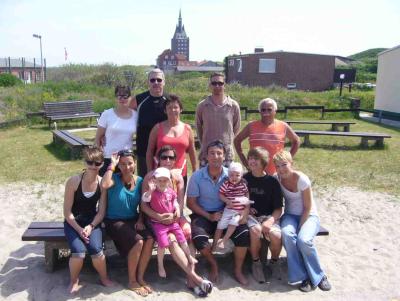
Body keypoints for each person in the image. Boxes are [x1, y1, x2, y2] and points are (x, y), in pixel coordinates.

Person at [141, 147, 212, 297]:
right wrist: (159, 217)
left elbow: (178, 203)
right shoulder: (150, 177)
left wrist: (177, 215)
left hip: (174, 217)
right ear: (158, 159)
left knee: (187, 232)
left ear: (175, 160)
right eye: (164, 157)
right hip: (154, 218)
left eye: (171, 158)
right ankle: (196, 279)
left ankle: (190, 281)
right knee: (172, 239)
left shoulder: (178, 178)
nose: (167, 160)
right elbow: (143, 205)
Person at [187, 140, 250, 285]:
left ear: (224, 157)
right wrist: (209, 215)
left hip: (228, 212)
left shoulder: (233, 174)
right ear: (206, 156)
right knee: (199, 238)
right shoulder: (197, 176)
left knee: (243, 233)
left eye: (219, 153)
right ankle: (214, 264)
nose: (216, 156)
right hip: (204, 213)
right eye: (212, 153)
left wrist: (244, 213)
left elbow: (245, 196)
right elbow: (190, 203)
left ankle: (238, 270)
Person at [273, 150, 331, 292]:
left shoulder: (302, 179)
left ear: (291, 163)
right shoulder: (277, 178)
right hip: (290, 215)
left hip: (309, 216)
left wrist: (300, 227)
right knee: (287, 234)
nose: (281, 169)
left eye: (284, 165)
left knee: (303, 240)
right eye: (277, 166)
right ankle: (303, 276)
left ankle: (319, 276)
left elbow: (307, 207)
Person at [101, 149, 154, 296]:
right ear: (119, 166)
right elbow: (104, 184)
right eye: (123, 164)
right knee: (138, 242)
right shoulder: (114, 179)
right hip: (113, 220)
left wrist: (141, 219)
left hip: (133, 218)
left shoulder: (140, 181)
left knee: (149, 238)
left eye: (130, 163)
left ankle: (140, 277)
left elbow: (144, 203)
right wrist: (112, 165)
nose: (127, 167)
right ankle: (132, 281)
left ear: (135, 163)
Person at [63, 146, 113, 293]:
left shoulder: (102, 183)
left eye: (97, 163)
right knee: (78, 253)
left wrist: (91, 226)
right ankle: (74, 281)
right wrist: (79, 229)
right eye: (90, 162)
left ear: (102, 164)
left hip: (92, 222)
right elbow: (67, 212)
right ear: (85, 163)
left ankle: (104, 278)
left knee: (97, 251)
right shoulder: (73, 181)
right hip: (73, 223)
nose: (93, 166)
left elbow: (101, 211)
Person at [141, 167, 196, 278]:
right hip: (159, 223)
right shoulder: (153, 193)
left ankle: (189, 256)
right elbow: (145, 199)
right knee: (162, 244)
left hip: (172, 222)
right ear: (155, 181)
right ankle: (160, 265)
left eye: (165, 180)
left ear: (169, 181)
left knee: (182, 238)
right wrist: (150, 190)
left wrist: (176, 210)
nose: (162, 183)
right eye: (159, 180)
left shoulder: (171, 191)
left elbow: (175, 202)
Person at [243, 147, 284, 283]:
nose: (252, 161)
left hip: (268, 216)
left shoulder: (272, 182)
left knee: (276, 235)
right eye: (250, 158)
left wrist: (270, 221)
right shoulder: (244, 179)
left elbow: (278, 208)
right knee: (255, 231)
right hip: (250, 217)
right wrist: (247, 210)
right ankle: (256, 263)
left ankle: (274, 261)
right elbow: (238, 200)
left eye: (256, 159)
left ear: (264, 162)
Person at [234, 97, 300, 175]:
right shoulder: (251, 126)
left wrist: (286, 160)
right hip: (256, 172)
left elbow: (296, 141)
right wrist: (245, 162)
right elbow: (237, 140)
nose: (266, 112)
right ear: (260, 111)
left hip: (276, 172)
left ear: (275, 111)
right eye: (263, 110)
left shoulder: (283, 126)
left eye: (269, 109)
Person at [146, 94, 197, 187]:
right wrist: (150, 172)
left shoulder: (188, 129)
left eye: (175, 107)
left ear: (180, 109)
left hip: (180, 174)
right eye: (169, 107)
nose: (173, 110)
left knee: (178, 201)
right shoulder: (157, 128)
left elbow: (192, 152)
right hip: (160, 175)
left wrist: (195, 172)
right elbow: (149, 151)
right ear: (165, 110)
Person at [195, 72, 240, 167]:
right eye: (214, 83)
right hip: (207, 155)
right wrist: (204, 144)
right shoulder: (202, 106)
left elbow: (235, 128)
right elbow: (199, 128)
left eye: (220, 83)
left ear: (225, 85)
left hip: (227, 154)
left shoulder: (233, 106)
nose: (217, 86)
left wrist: (228, 142)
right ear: (210, 85)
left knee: (227, 182)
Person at [130, 68, 168, 177]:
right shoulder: (138, 100)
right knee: (146, 183)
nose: (156, 82)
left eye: (159, 80)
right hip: (143, 149)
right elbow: (125, 120)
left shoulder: (170, 99)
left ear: (164, 82)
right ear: (148, 82)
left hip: (165, 152)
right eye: (152, 80)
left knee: (165, 184)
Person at [95, 85, 137, 176]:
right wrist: (98, 158)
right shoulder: (107, 114)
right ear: (116, 98)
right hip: (108, 157)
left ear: (130, 97)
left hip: (127, 159)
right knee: (106, 187)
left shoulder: (135, 115)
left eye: (125, 96)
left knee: (125, 187)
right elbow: (98, 138)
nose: (122, 99)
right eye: (119, 96)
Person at [212, 162, 250, 251]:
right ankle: (214, 245)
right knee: (220, 225)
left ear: (241, 176)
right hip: (228, 209)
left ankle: (224, 241)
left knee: (234, 221)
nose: (234, 178)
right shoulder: (226, 184)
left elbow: (246, 193)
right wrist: (227, 201)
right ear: (228, 175)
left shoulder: (243, 185)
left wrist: (246, 204)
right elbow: (220, 194)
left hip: (239, 211)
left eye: (237, 175)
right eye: (231, 175)